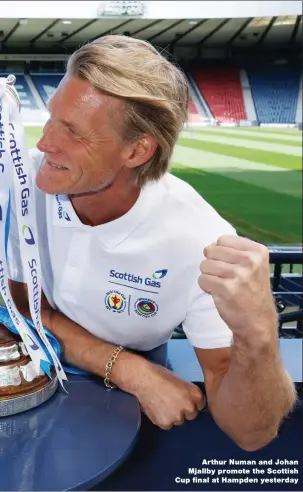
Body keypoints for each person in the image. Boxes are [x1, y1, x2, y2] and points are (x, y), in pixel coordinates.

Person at [8, 35, 296, 449]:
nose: (44, 142)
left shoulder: (202, 244)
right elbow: (20, 311)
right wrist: (128, 369)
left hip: (119, 417)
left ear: (138, 150)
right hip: (37, 382)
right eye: (52, 117)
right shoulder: (18, 187)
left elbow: (252, 434)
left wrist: (260, 334)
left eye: (73, 132)